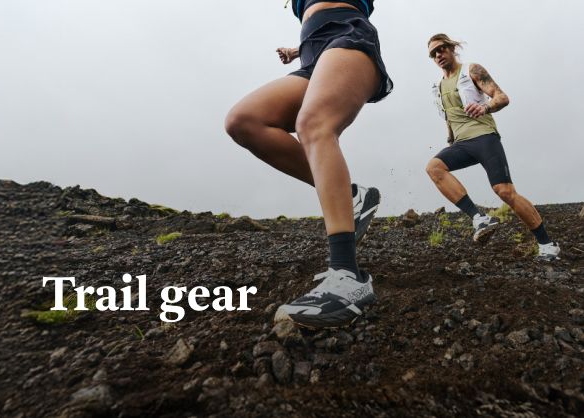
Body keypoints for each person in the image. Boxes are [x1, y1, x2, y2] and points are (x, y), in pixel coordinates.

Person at [225, 0, 392, 329]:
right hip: (314, 55)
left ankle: (347, 276)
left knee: (313, 124)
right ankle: (352, 195)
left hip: (348, 38)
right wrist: (297, 49)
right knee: (243, 120)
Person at [424, 34, 560, 261]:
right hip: (461, 144)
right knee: (434, 168)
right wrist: (450, 141)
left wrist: (485, 107)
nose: (438, 55)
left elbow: (502, 97)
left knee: (505, 192)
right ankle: (479, 218)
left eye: (441, 49)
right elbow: (449, 118)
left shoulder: (471, 70)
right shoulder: (437, 87)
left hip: (484, 137)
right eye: (433, 53)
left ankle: (547, 244)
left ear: (452, 48)